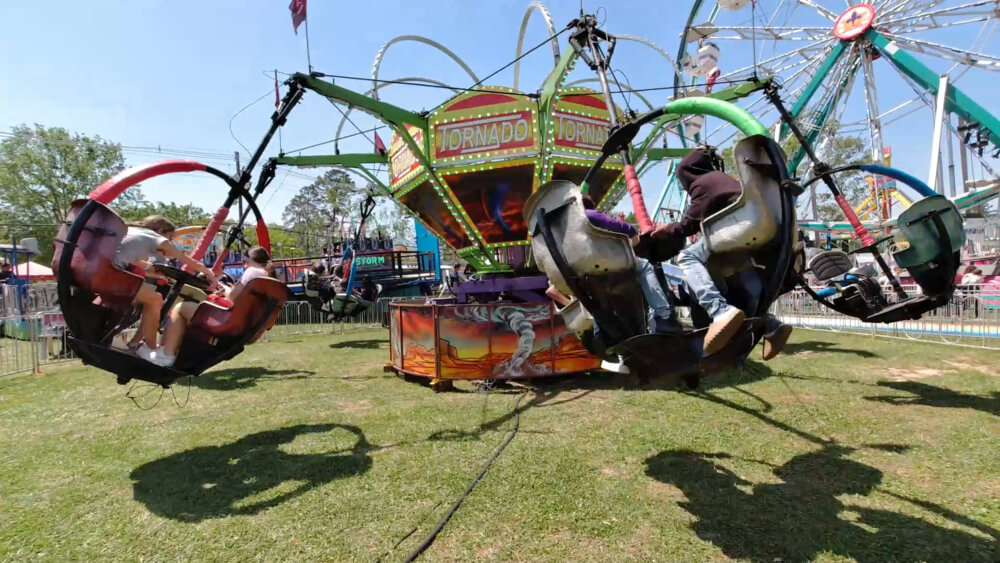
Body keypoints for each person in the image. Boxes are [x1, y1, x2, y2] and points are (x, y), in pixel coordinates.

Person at [650, 147, 792, 359]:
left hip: (740, 228)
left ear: (688, 172)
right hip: (762, 232)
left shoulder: (704, 183)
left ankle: (719, 311)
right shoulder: (726, 180)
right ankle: (771, 325)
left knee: (688, 257)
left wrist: (667, 229)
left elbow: (690, 224)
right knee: (734, 273)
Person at [551, 193, 680, 334]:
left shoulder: (565, 228)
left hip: (584, 273)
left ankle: (598, 330)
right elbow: (632, 234)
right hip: (607, 265)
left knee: (591, 293)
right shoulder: (590, 215)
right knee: (645, 266)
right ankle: (664, 315)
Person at [113, 215, 217, 362]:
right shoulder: (157, 238)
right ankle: (150, 348)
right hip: (112, 274)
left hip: (103, 270)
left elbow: (132, 259)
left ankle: (130, 340)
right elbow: (188, 260)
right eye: (171, 237)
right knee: (155, 300)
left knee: (146, 300)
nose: (171, 241)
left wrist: (151, 271)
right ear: (161, 230)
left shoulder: (133, 231)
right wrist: (210, 275)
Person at [150, 246, 272, 367]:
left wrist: (225, 289)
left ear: (250, 260)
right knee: (190, 313)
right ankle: (169, 352)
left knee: (180, 308)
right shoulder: (268, 277)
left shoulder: (252, 271)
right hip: (245, 325)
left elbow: (233, 298)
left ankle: (166, 355)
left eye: (244, 262)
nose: (244, 266)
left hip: (231, 323)